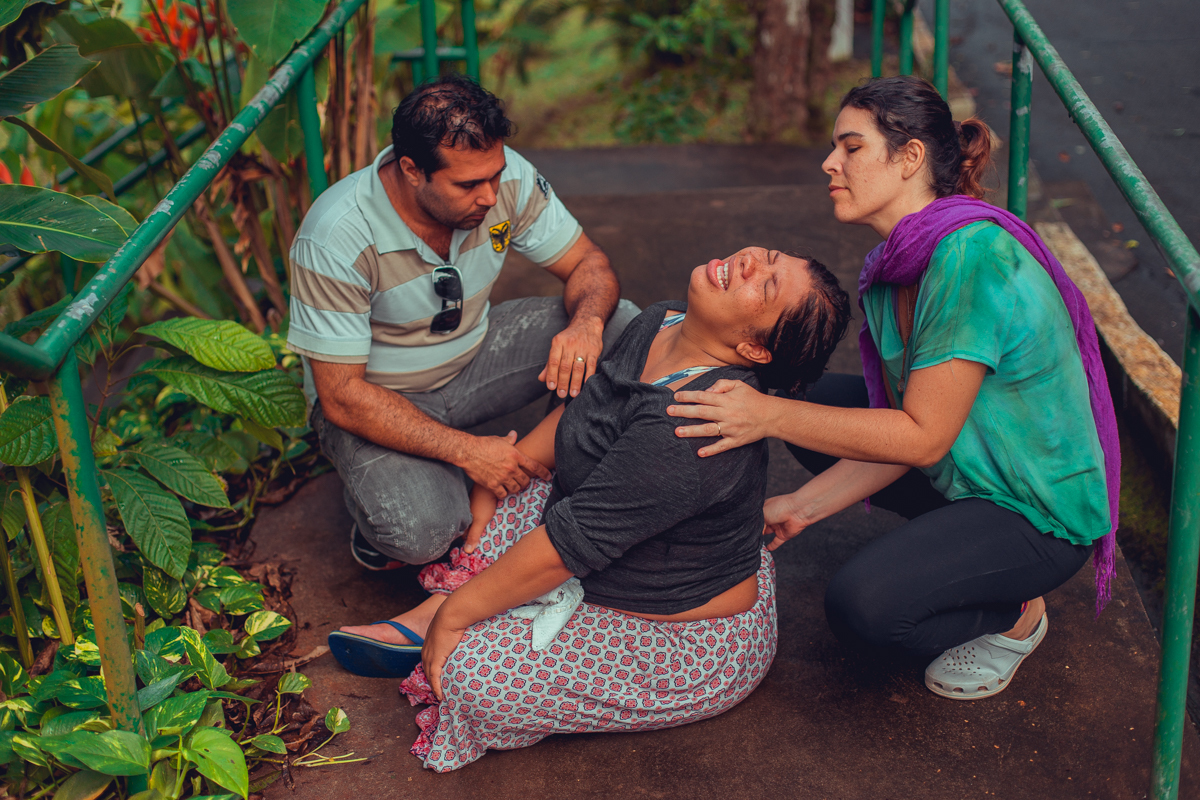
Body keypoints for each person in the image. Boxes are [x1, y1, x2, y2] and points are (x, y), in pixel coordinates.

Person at [665, 76, 1119, 701]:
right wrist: (800, 507)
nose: (830, 163)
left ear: (909, 158)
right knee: (815, 406)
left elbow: (921, 438)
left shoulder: (969, 257)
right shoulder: (893, 266)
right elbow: (903, 424)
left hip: (1034, 510)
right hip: (970, 463)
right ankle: (961, 550)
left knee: (865, 607)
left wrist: (765, 414)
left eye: (851, 147)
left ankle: (1015, 612)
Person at [328, 246, 852, 771]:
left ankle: (446, 615)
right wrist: (501, 475)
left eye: (766, 285)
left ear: (753, 350)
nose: (750, 263)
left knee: (472, 677)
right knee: (515, 490)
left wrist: (455, 619)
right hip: (606, 541)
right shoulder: (663, 321)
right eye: (767, 256)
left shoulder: (691, 430)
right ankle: (444, 613)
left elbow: (565, 546)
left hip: (678, 635)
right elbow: (587, 413)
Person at [287, 74, 638, 571]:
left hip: (475, 357)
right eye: (469, 185)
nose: (491, 196)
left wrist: (585, 325)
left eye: (495, 175)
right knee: (425, 532)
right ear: (412, 170)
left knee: (623, 326)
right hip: (376, 395)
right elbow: (341, 396)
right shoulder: (335, 236)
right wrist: (470, 453)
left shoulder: (503, 178)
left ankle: (547, 460)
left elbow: (587, 262)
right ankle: (383, 504)